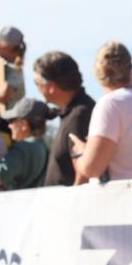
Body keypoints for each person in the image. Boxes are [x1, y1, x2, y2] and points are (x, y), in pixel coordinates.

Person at [70, 41, 132, 182]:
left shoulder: (110, 104)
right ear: (130, 68)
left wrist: (81, 153)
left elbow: (92, 169)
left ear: (98, 71)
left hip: (124, 197)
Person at [33, 51, 95, 187]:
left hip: (70, 205)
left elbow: (83, 174)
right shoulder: (74, 113)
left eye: (37, 83)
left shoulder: (79, 116)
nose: (36, 88)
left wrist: (71, 204)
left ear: (51, 87)